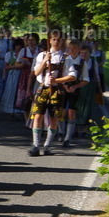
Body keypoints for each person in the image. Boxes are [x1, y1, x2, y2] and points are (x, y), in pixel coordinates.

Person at [28, 28, 73, 156]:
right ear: (50, 40)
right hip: (43, 88)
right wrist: (44, 60)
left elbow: (72, 76)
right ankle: (36, 145)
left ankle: (47, 145)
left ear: (62, 41)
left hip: (56, 91)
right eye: (54, 39)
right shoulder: (41, 55)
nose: (56, 42)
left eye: (59, 40)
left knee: (54, 118)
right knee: (38, 115)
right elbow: (36, 72)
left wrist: (57, 80)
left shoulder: (66, 58)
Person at [60, 38, 90, 146]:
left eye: (74, 48)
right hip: (63, 87)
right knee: (61, 111)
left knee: (71, 112)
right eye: (70, 48)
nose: (72, 50)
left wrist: (76, 86)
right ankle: (60, 132)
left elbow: (86, 79)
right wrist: (64, 86)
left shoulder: (82, 63)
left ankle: (67, 138)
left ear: (78, 49)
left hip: (75, 89)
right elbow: (60, 75)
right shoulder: (64, 60)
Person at [0, 37, 26, 116]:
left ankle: (19, 109)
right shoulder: (9, 54)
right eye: (17, 46)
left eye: (20, 46)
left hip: (21, 75)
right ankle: (10, 109)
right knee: (10, 91)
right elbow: (6, 67)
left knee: (19, 92)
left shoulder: (23, 54)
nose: (18, 47)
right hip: (12, 76)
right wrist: (4, 76)